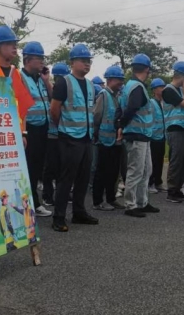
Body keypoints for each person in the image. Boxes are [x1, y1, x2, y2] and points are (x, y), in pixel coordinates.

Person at [49, 44, 99, 231]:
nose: (87, 64)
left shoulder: (90, 85)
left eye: (89, 61)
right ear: (73, 62)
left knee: (83, 177)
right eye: (83, 61)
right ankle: (59, 217)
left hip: (86, 137)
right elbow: (54, 109)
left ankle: (79, 212)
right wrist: (64, 126)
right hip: (69, 137)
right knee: (66, 178)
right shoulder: (64, 82)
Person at [119, 53, 159, 219]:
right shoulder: (137, 87)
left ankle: (142, 202)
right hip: (136, 135)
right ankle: (131, 204)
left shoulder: (132, 85)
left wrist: (121, 125)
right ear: (147, 69)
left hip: (142, 135)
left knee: (146, 170)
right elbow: (132, 108)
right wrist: (123, 125)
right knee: (136, 171)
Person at [20, 41, 53, 217]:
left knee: (37, 167)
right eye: (38, 58)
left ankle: (34, 202)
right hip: (29, 128)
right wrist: (23, 131)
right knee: (29, 168)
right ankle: (29, 203)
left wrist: (47, 81)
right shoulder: (20, 78)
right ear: (27, 60)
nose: (42, 62)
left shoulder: (40, 79)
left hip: (42, 127)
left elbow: (52, 97)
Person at [92, 65, 125, 211]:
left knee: (113, 172)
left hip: (116, 141)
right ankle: (98, 201)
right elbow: (96, 116)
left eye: (122, 80)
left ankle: (111, 199)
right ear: (110, 80)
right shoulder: (103, 95)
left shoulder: (118, 96)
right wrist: (95, 135)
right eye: (118, 79)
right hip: (104, 141)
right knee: (101, 172)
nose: (121, 83)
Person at [162, 61, 184, 204]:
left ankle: (179, 188)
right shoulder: (168, 90)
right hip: (175, 128)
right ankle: (172, 191)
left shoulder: (180, 90)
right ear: (181, 76)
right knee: (176, 160)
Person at [42, 62, 68, 207]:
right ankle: (47, 195)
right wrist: (47, 82)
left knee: (61, 167)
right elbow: (53, 101)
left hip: (62, 134)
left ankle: (60, 194)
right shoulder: (49, 88)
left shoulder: (65, 89)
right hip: (51, 134)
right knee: (50, 167)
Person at [148, 78, 167, 194]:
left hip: (162, 135)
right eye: (160, 87)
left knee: (160, 160)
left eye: (164, 87)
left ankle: (158, 182)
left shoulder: (163, 103)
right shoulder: (151, 103)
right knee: (153, 161)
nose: (163, 89)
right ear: (154, 90)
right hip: (153, 136)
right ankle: (150, 183)